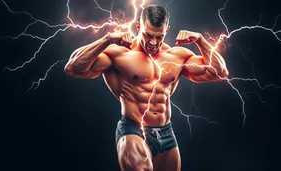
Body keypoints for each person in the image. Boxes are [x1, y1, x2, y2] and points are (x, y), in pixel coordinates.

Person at [64, 4, 228, 171]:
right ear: (138, 27)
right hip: (133, 129)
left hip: (166, 132)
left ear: (167, 30)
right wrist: (107, 40)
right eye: (148, 35)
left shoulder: (177, 56)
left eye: (159, 37)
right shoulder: (120, 54)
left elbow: (219, 73)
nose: (153, 42)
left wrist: (200, 40)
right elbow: (73, 68)